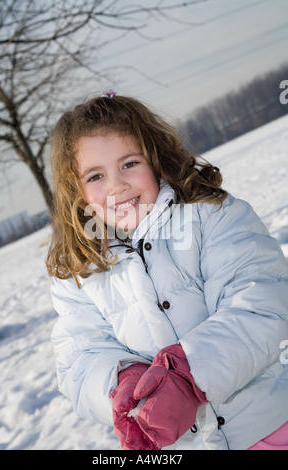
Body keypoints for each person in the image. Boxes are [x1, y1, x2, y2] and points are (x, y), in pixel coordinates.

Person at [46, 90, 288, 450]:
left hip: (268, 426)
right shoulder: (80, 271)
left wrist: (187, 375)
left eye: (130, 163)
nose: (117, 186)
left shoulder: (211, 215)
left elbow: (262, 303)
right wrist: (120, 382)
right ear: (76, 191)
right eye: (95, 176)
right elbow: (79, 355)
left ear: (156, 159)